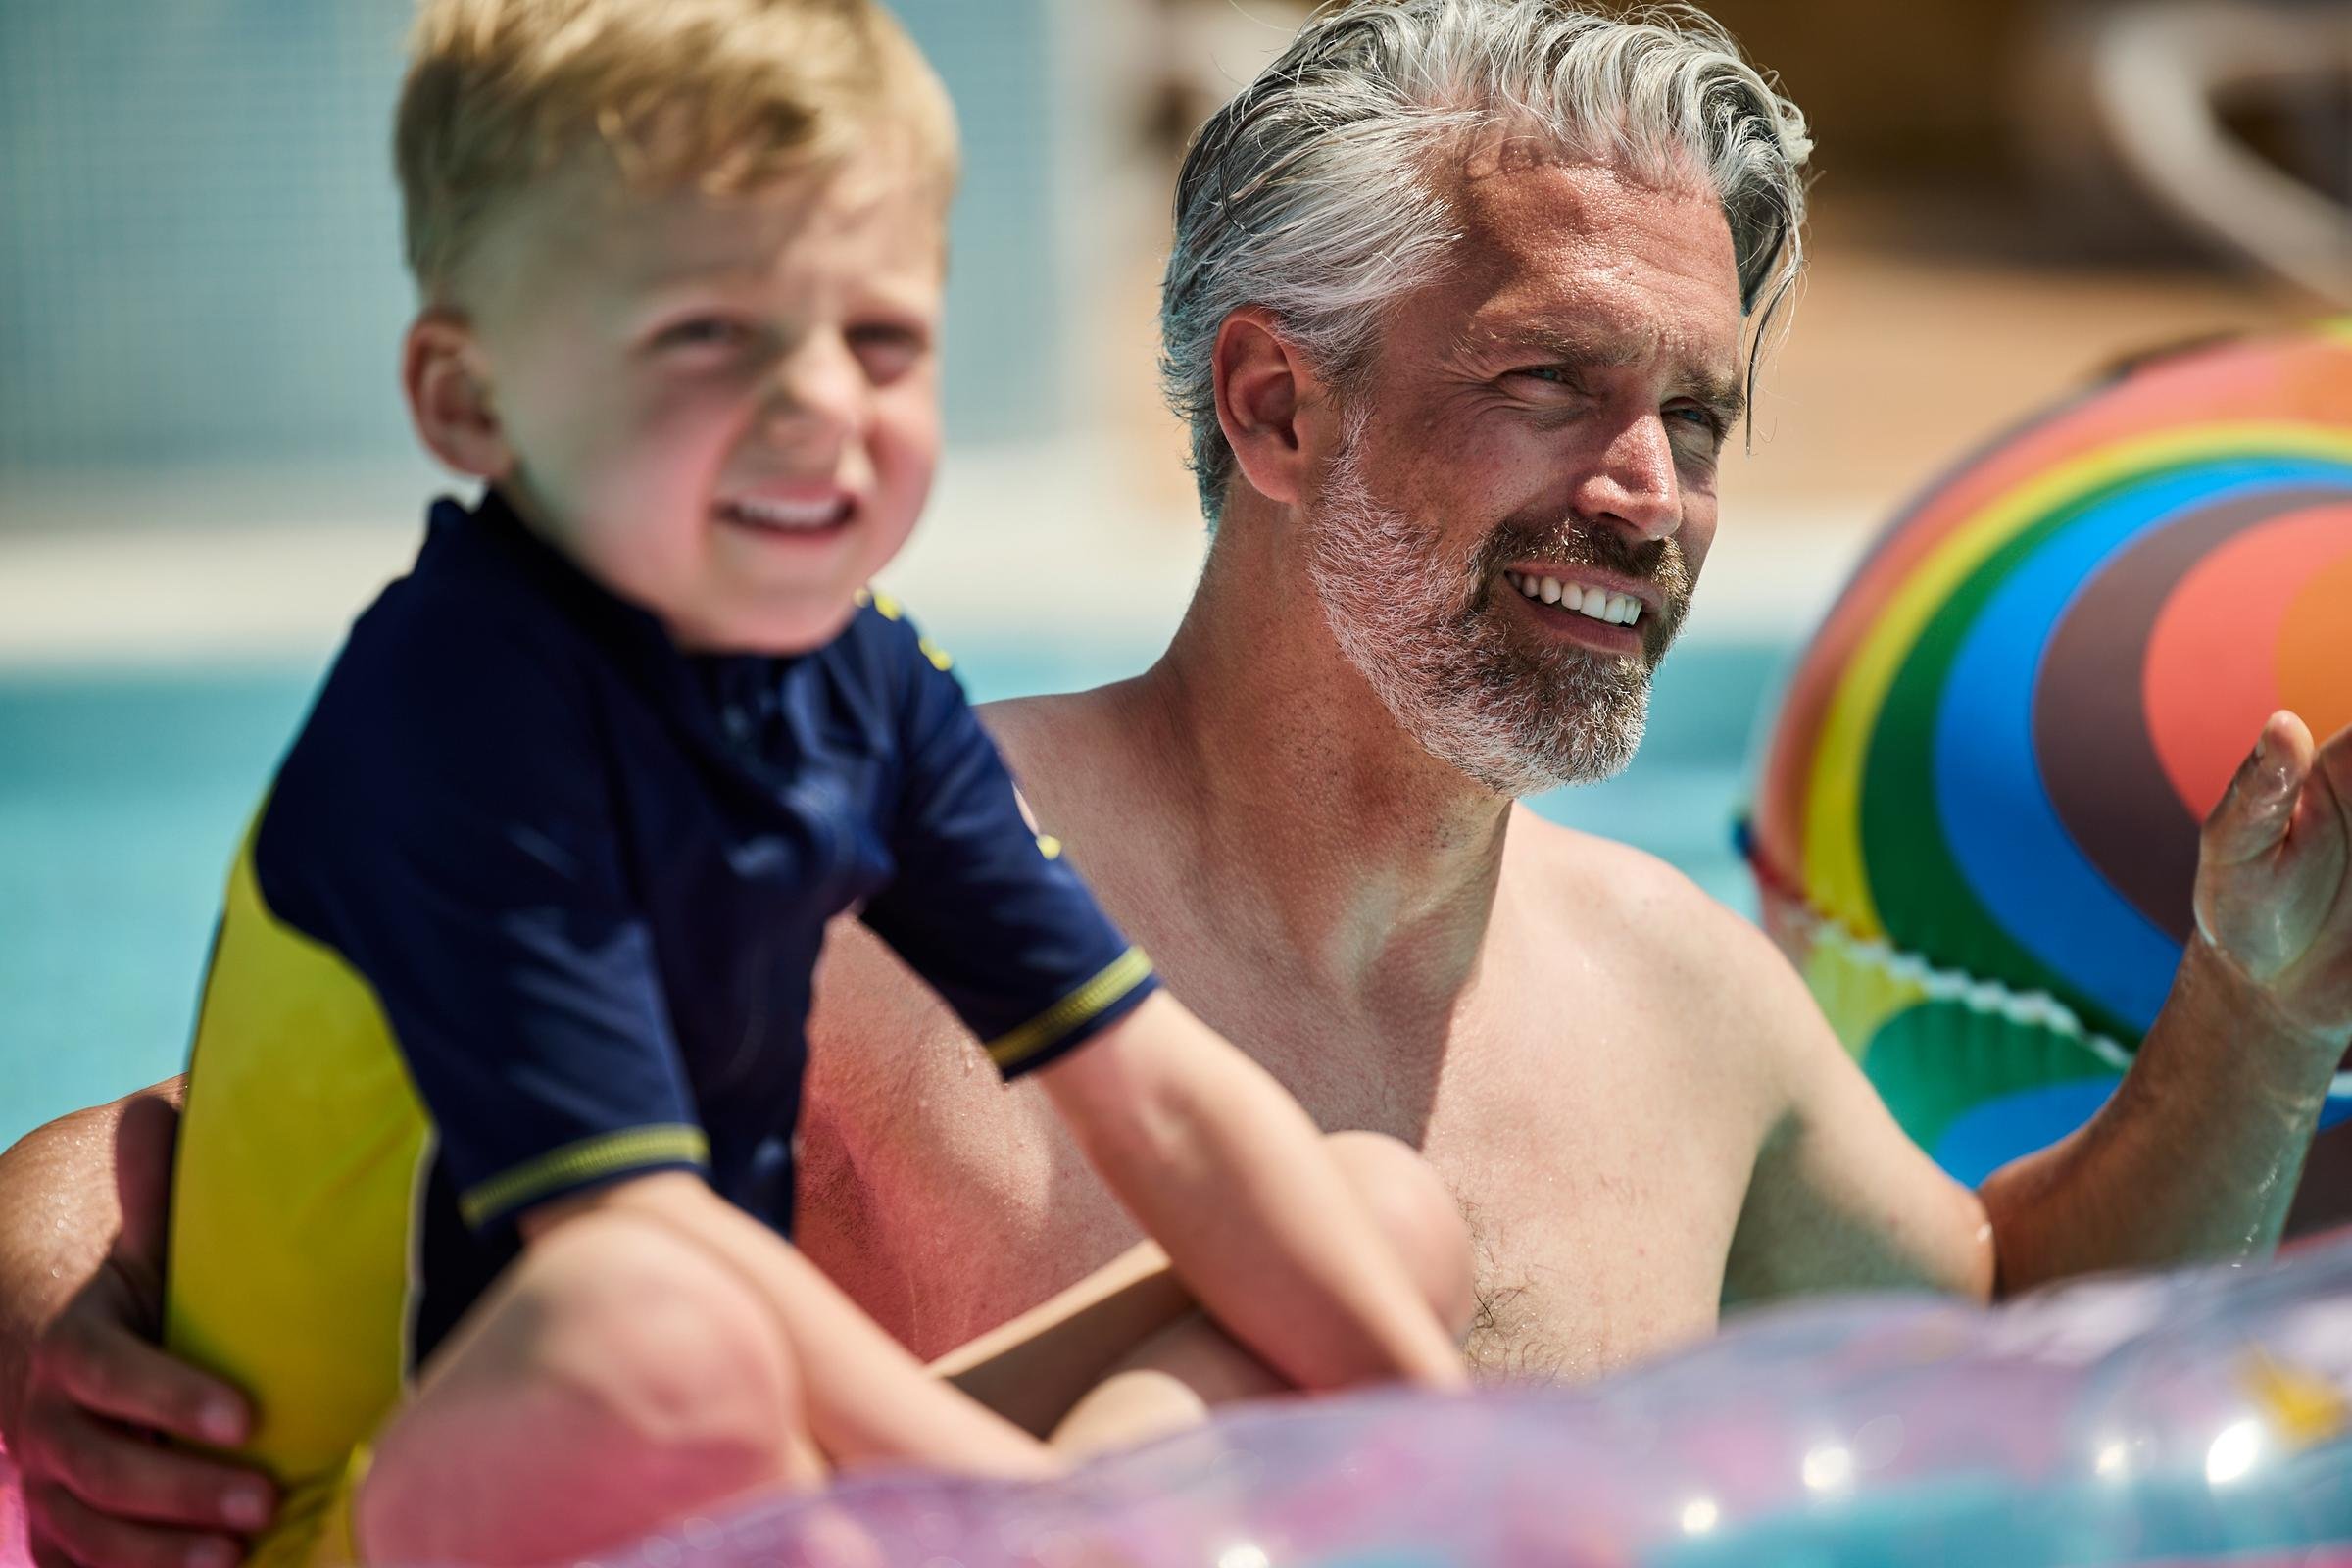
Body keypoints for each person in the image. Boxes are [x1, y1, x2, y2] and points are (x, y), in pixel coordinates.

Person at [6, 0, 2350, 1562]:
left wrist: (2258, 1023)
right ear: (1272, 405)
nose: (1650, 492)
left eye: (1700, 416)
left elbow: (2011, 1356)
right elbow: (231, 1128)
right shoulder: (850, 863)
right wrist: (40, 1286)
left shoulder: (1679, 997)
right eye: (1552, 384)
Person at [6, 3, 1480, 1564]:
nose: (820, 406)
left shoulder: (855, 678)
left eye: (882, 338)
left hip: (701, 1459)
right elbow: (635, 1243)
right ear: (470, 398)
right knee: (650, 1325)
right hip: (357, 1519)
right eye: (708, 333)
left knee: (1378, 1221)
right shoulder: (456, 709)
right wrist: (1013, 1507)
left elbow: (1160, 1099)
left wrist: (1479, 1462)